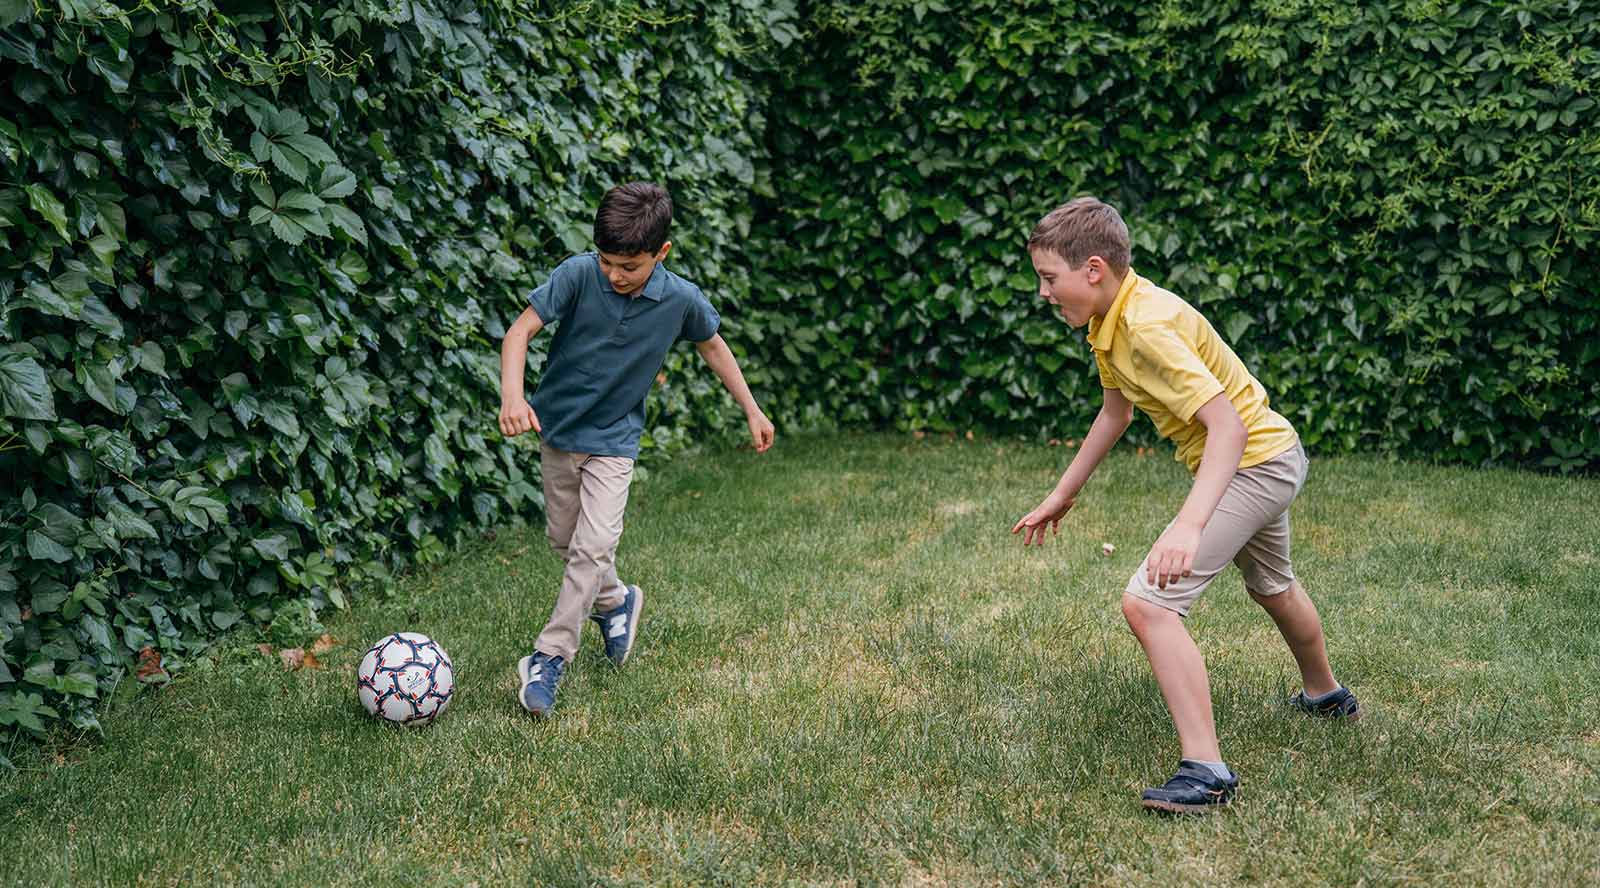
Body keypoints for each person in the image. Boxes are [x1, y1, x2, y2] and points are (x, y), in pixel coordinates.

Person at [1011, 197, 1360, 813]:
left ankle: (1207, 771)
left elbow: (1228, 428)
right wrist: (1063, 494)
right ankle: (1326, 696)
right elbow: (1115, 413)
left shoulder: (1145, 327)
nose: (1043, 292)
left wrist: (1189, 525)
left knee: (1148, 604)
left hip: (1253, 461)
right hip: (1270, 455)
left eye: (1049, 278)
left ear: (1093, 270)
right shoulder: (1113, 318)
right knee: (1273, 586)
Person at [498, 181, 775, 717]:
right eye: (607, 261)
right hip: (558, 432)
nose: (615, 275)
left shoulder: (680, 299)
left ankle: (549, 656)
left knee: (594, 545)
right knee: (567, 543)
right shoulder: (578, 275)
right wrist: (513, 395)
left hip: (614, 441)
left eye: (629, 266)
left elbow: (713, 345)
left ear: (661, 252)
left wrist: (752, 408)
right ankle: (615, 601)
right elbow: (518, 333)